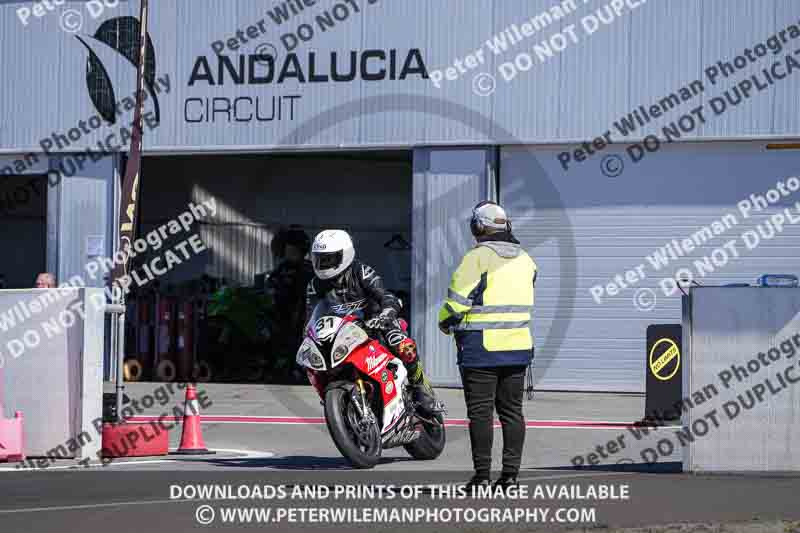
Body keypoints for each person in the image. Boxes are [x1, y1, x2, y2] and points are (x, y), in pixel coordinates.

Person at [438, 200, 537, 490]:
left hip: (481, 350)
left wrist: (444, 322)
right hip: (518, 348)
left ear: (477, 227)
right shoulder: (526, 259)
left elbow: (456, 302)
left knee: (481, 413)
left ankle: (482, 477)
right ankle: (510, 477)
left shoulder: (477, 258)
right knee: (512, 412)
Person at [305, 229, 437, 412]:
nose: (323, 264)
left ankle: (421, 386)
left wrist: (386, 314)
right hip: (343, 332)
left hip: (376, 322)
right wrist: (308, 337)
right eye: (320, 259)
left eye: (329, 259)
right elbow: (311, 316)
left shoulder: (362, 272)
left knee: (402, 345)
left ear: (345, 255)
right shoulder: (315, 285)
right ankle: (334, 402)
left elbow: (385, 296)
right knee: (314, 364)